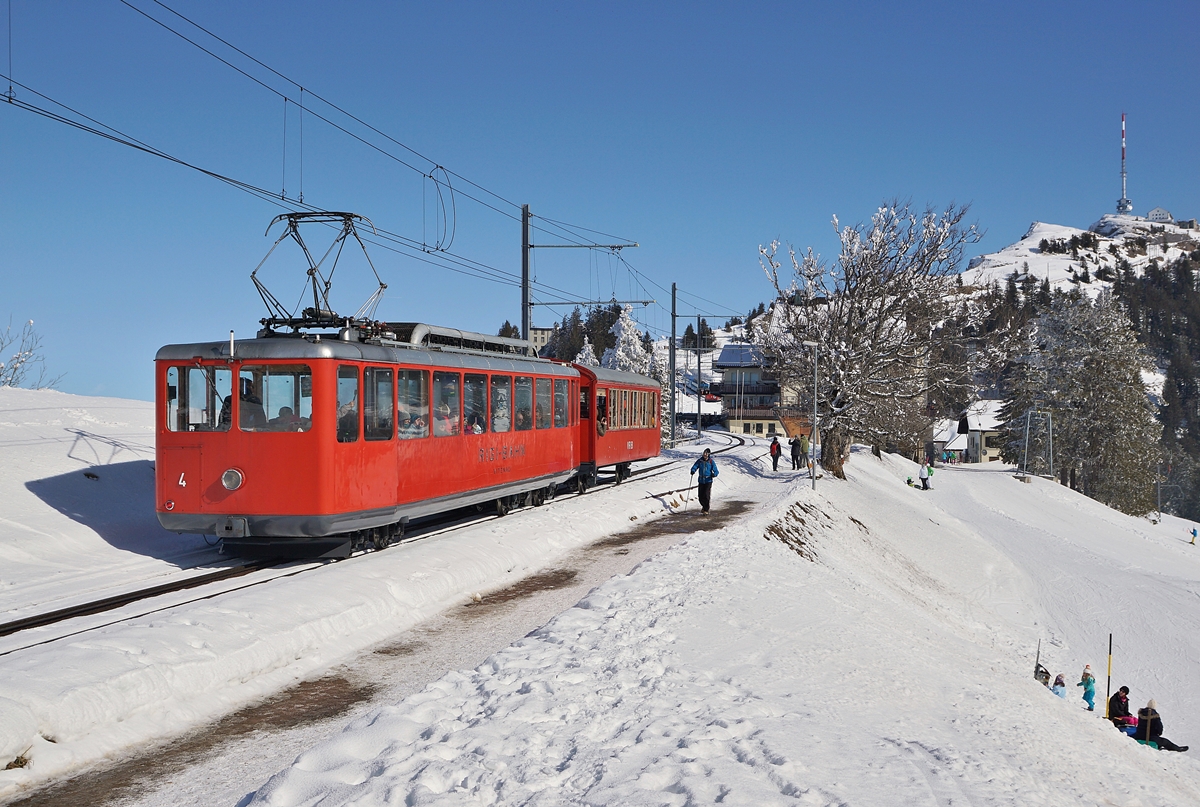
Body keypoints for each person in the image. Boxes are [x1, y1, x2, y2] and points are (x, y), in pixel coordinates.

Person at [691, 448, 719, 515]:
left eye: (706, 454)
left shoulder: (711, 462)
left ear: (708, 455)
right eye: (704, 453)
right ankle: (704, 506)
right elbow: (695, 466)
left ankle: (706, 509)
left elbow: (716, 470)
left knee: (706, 495)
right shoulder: (700, 461)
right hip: (701, 480)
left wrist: (714, 474)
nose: (704, 455)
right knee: (700, 496)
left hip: (708, 480)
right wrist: (693, 470)